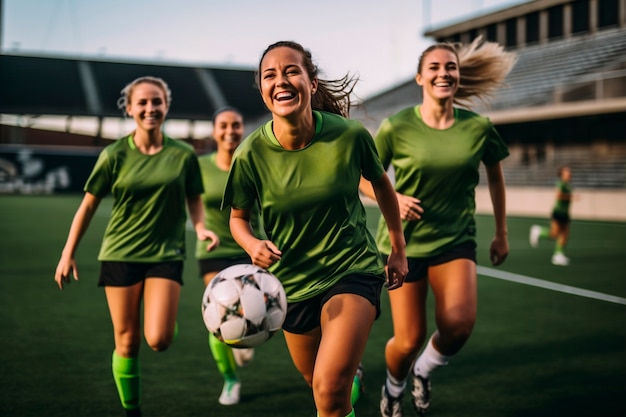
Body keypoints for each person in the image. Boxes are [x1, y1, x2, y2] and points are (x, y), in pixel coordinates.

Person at [221, 40, 408, 417]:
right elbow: (238, 219)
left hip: (351, 271)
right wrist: (252, 243)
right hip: (291, 285)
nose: (281, 80)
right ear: (262, 89)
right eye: (270, 75)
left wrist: (398, 247)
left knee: (327, 389)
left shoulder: (350, 135)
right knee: (317, 384)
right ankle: (348, 374)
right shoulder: (250, 153)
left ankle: (341, 377)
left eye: (291, 70)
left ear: (312, 82)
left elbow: (383, 187)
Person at [359, 37, 516, 417]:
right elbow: (363, 177)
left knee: (458, 326)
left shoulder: (478, 127)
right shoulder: (397, 126)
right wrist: (393, 198)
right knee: (408, 338)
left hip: (455, 239)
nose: (443, 73)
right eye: (434, 67)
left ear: (459, 77)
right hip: (403, 246)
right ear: (419, 77)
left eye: (451, 67)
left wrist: (501, 232)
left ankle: (424, 372)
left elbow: (495, 178)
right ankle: (393, 387)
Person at [54, 76, 219, 417]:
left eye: (156, 101)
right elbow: (87, 205)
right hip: (119, 255)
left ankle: (162, 318)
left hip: (165, 254)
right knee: (127, 341)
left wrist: (201, 227)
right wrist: (67, 252)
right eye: (142, 102)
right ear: (129, 108)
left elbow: (194, 200)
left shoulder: (183, 154)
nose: (150, 108)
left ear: (166, 106)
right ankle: (133, 410)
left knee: (158, 339)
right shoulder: (113, 154)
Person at [195, 106, 258, 405]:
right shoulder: (199, 166)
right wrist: (199, 230)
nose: (230, 131)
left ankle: (244, 339)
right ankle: (231, 380)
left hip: (251, 247)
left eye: (236, 125)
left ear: (242, 128)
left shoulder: (254, 160)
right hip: (214, 250)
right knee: (218, 315)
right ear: (214, 130)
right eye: (223, 125)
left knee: (255, 311)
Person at [529, 166, 573, 266]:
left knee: (565, 234)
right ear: (562, 174)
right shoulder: (561, 184)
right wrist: (570, 197)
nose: (570, 174)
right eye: (567, 172)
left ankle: (558, 255)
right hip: (558, 212)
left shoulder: (568, 185)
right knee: (555, 234)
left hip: (565, 213)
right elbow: (558, 195)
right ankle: (539, 231)